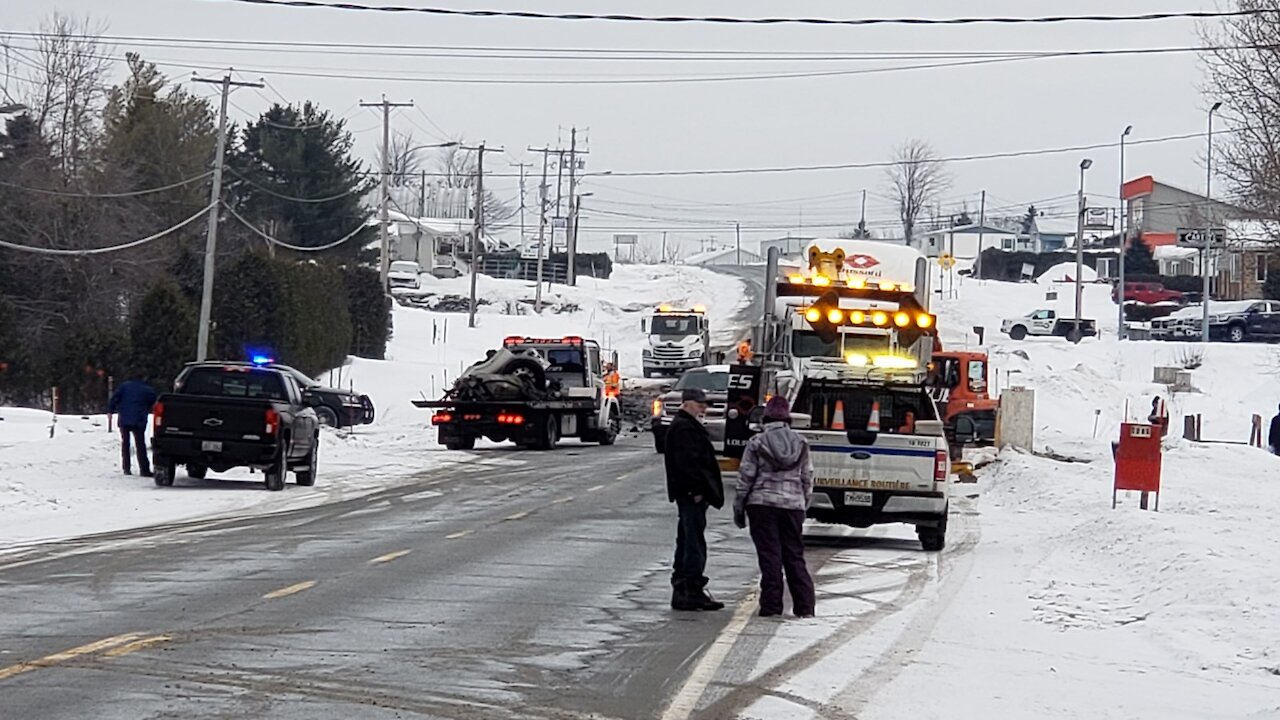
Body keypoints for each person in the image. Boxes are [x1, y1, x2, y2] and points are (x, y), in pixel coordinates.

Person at [733, 396, 816, 618]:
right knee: (794, 556)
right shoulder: (801, 443)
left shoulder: (757, 442)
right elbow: (807, 477)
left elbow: (746, 477)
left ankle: (771, 606)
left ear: (766, 418)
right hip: (793, 506)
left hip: (762, 505)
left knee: (770, 556)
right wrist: (803, 504)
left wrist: (739, 507)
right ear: (788, 418)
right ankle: (805, 606)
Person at [664, 387, 726, 611]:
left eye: (704, 404)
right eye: (700, 404)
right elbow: (688, 463)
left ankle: (684, 590)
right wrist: (696, 491)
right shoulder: (685, 428)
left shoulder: (685, 425)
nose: (703, 408)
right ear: (687, 403)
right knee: (693, 542)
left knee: (687, 539)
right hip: (691, 495)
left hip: (689, 494)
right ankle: (690, 590)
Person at [108, 373, 158, 476]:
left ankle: (126, 468)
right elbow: (155, 402)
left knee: (125, 443)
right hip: (139, 419)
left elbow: (114, 399)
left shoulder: (124, 387)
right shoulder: (147, 389)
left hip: (124, 418)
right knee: (140, 444)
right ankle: (144, 469)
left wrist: (110, 410)